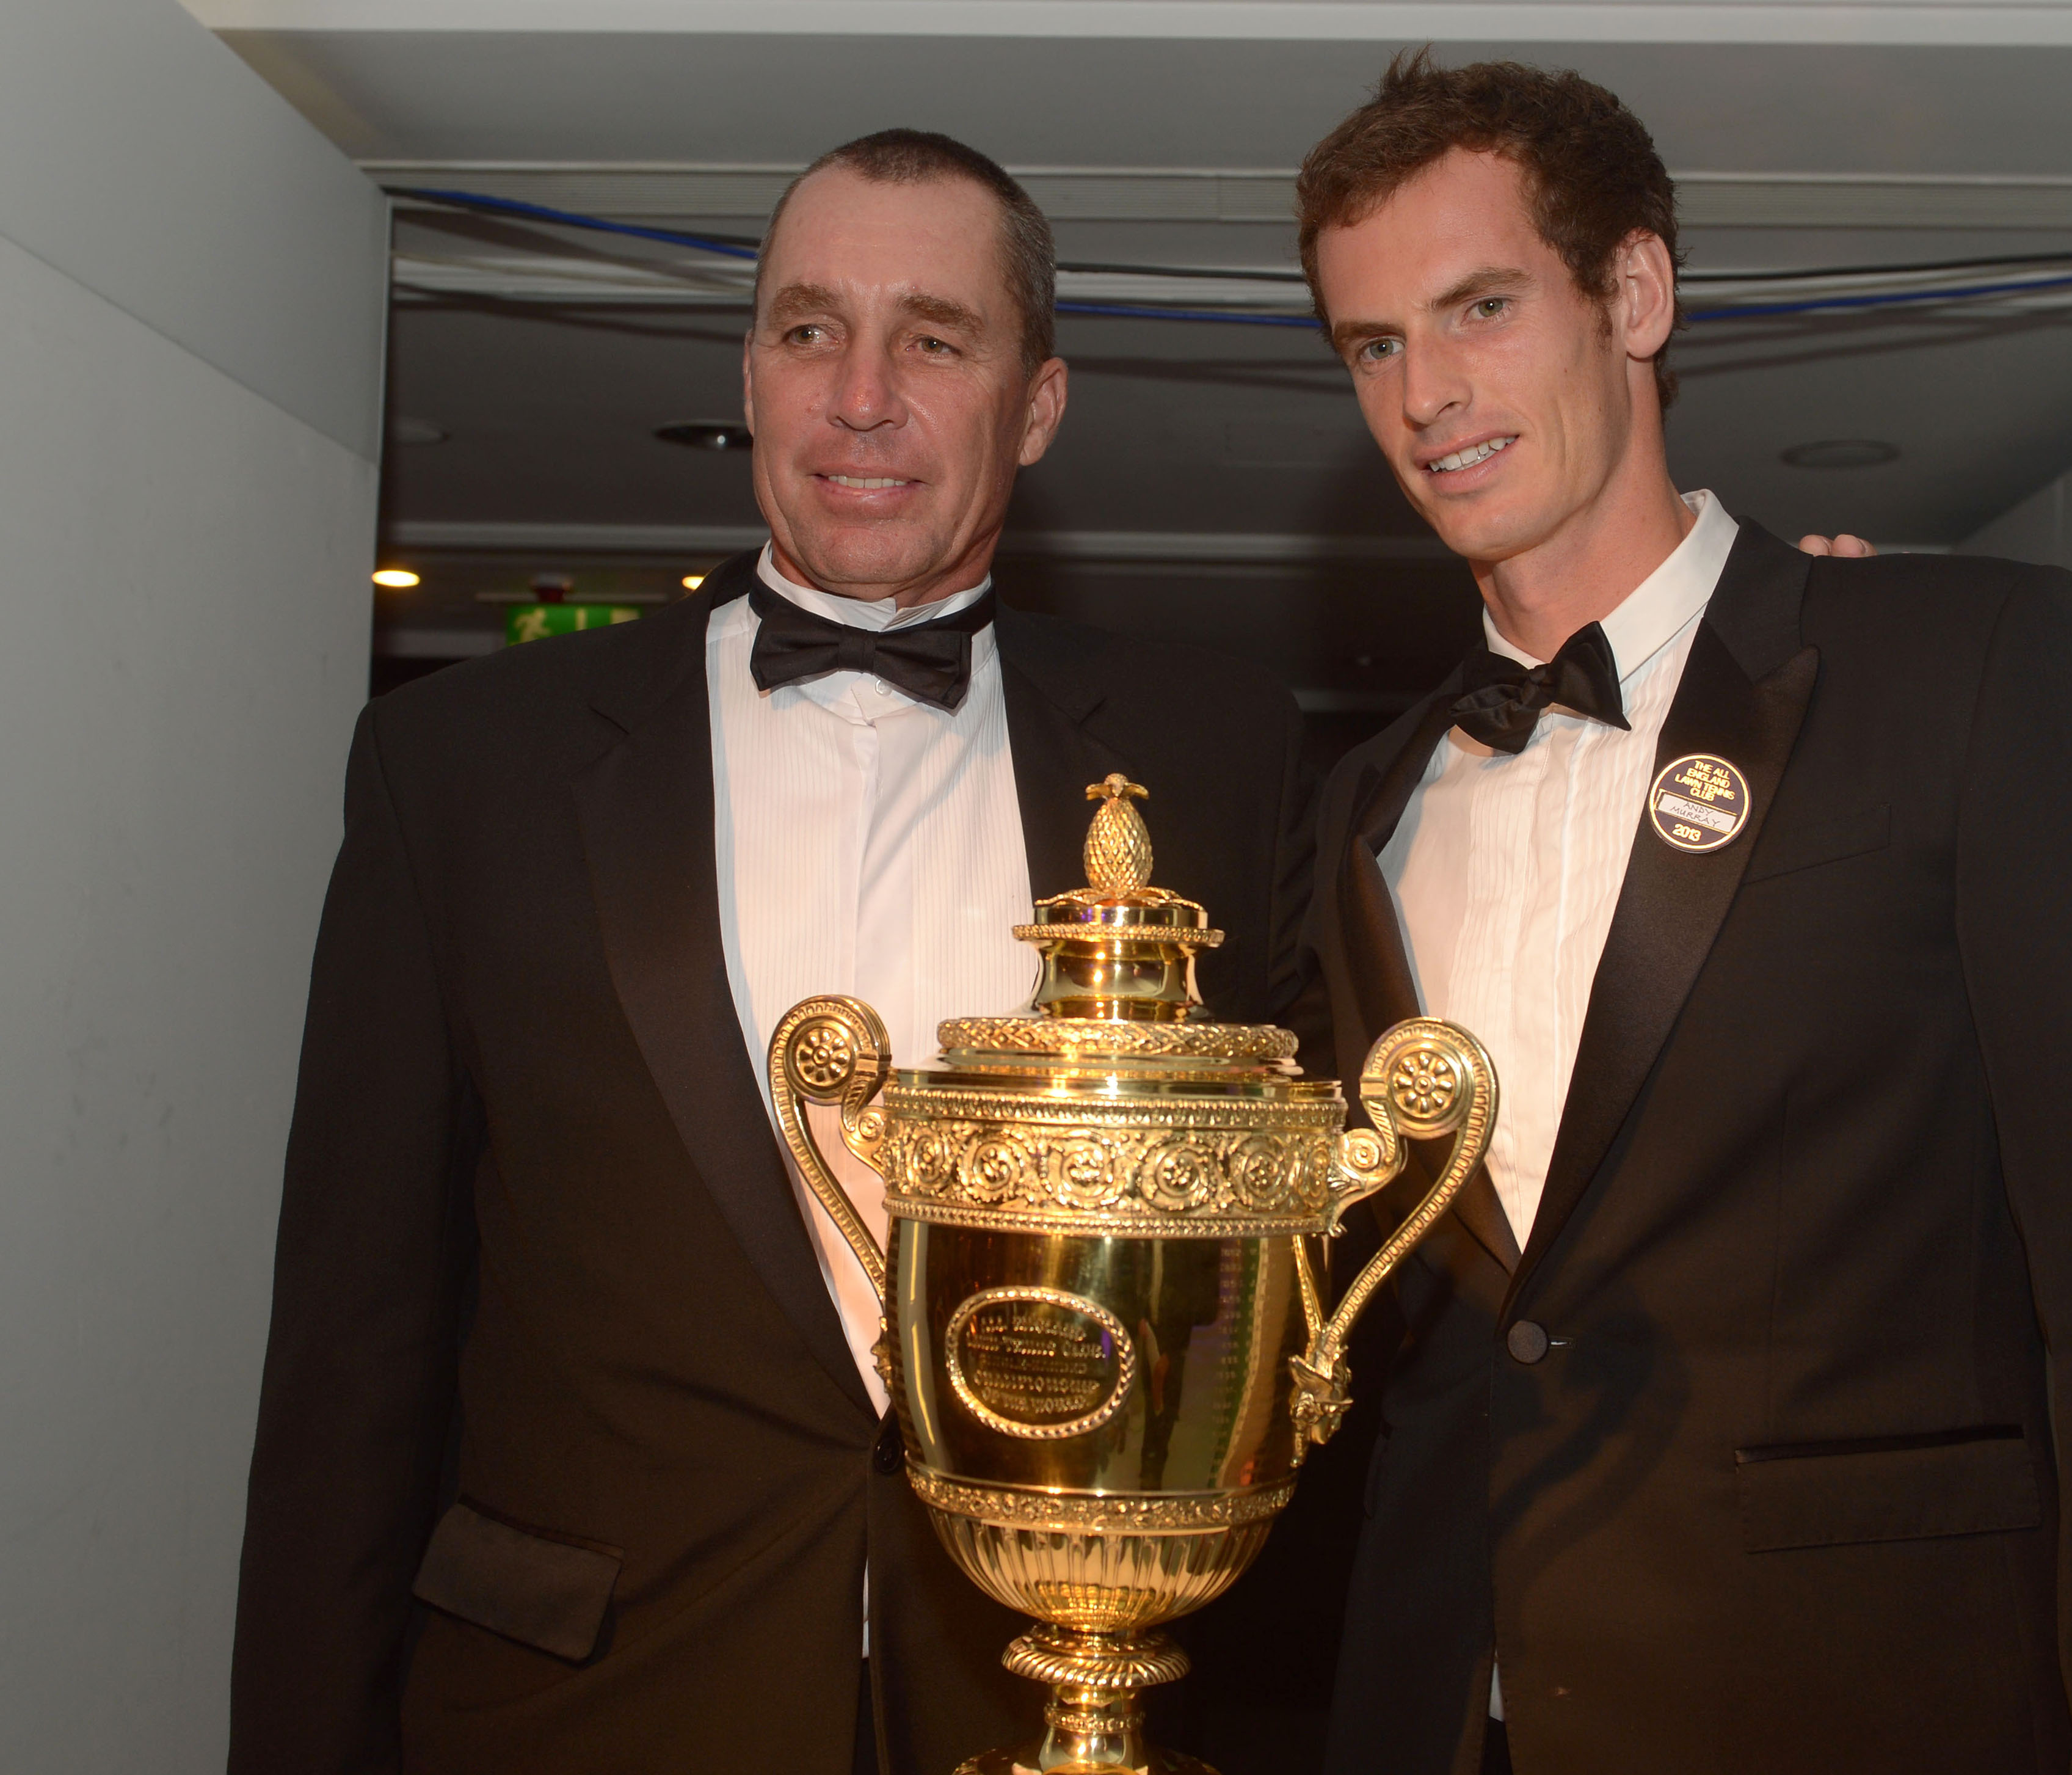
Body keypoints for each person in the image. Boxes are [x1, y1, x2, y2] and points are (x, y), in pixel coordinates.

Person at [227, 130, 1315, 1774]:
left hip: (1054, 1708)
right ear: (750, 374)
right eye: (811, 330)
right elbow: (351, 1345)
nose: (859, 398)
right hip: (586, 1709)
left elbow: (1290, 1295)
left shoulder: (1216, 755)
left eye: (933, 340)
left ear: (1036, 405)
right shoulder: (465, 767)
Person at [1291, 54, 2072, 1775]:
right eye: (1371, 345)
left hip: (1866, 1709)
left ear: (1634, 293)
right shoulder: (1367, 806)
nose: (1426, 393)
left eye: (1480, 308)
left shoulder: (1967, 671)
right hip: (1445, 1710)